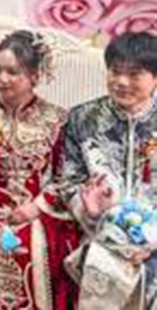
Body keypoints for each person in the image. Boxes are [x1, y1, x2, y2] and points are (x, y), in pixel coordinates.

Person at [0, 30, 79, 309]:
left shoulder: (57, 119)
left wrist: (36, 207)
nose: (2, 79)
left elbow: (68, 175)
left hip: (42, 205)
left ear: (34, 75)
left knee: (39, 246)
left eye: (13, 72)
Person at [61, 32, 157, 308]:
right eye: (115, 72)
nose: (122, 82)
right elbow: (68, 181)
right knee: (102, 266)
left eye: (134, 74)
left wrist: (151, 239)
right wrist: (90, 211)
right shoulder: (82, 119)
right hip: (101, 232)